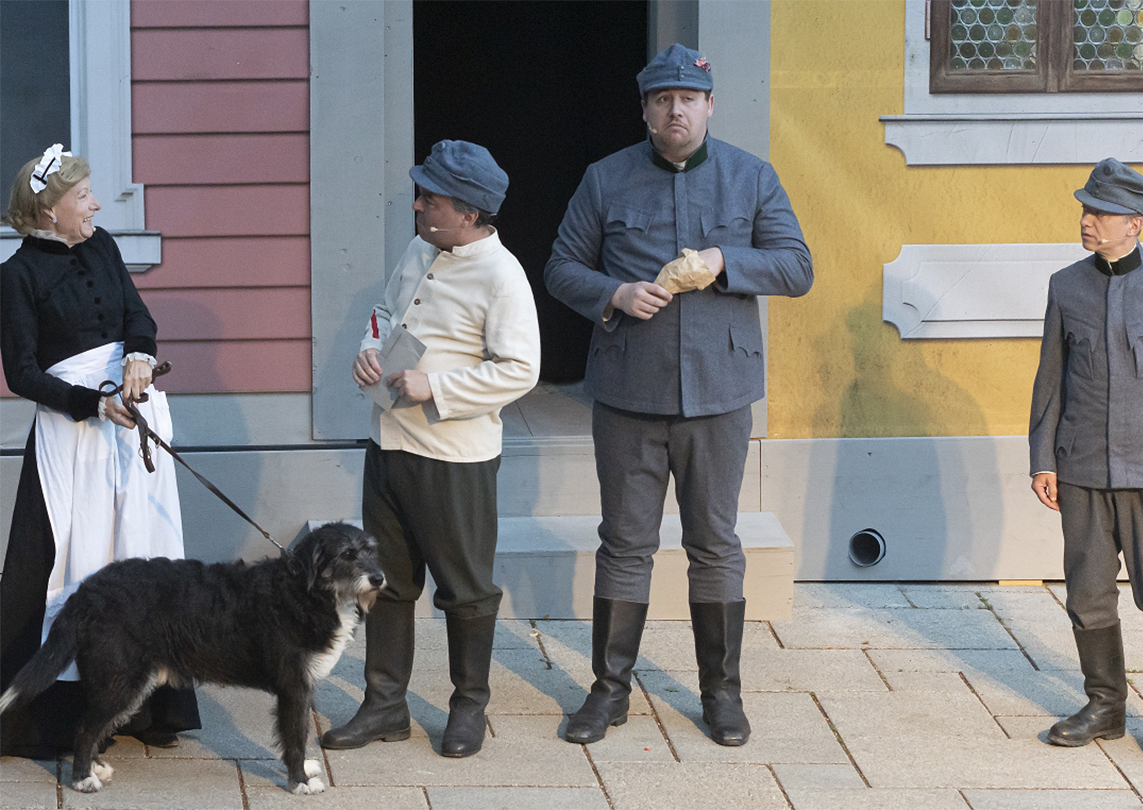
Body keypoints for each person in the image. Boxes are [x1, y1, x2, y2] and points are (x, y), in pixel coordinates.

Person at [543, 44, 813, 747]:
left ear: (710, 104)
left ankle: (722, 694)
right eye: (661, 99)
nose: (675, 110)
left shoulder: (751, 178)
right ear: (645, 109)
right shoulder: (607, 180)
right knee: (624, 542)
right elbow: (561, 267)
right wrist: (615, 292)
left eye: (687, 99)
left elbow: (796, 266)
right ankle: (608, 692)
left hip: (720, 393)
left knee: (715, 543)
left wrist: (728, 261)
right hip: (630, 389)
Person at [320, 140, 539, 758]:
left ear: (469, 213)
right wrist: (371, 347)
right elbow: (385, 311)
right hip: (388, 443)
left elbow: (521, 370)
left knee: (466, 592)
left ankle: (468, 707)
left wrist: (435, 385)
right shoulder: (421, 248)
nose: (417, 205)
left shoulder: (503, 277)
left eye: (431, 198)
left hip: (453, 459)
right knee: (383, 582)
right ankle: (385, 706)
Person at [0, 145, 200, 757]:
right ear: (49, 210)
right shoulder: (15, 275)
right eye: (83, 195)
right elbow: (22, 374)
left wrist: (140, 355)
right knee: (68, 561)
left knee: (141, 551)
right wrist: (91, 402)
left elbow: (138, 317)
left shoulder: (104, 243)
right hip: (75, 433)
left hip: (132, 420)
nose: (94, 203)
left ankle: (150, 705)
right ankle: (52, 718)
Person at [1029, 158, 1143, 763]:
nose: (1086, 220)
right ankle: (1104, 706)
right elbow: (1049, 378)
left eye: (1098, 212)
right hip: (1081, 469)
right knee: (1088, 592)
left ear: (1135, 223)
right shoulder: (1065, 285)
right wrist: (1042, 456)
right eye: (1084, 209)